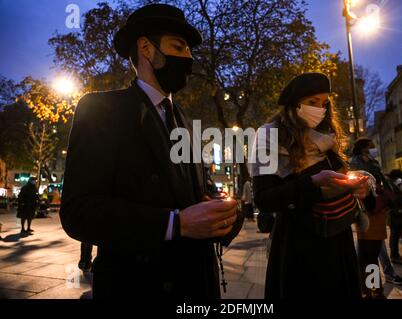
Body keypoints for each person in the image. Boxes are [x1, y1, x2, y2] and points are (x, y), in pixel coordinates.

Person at [60, 4, 240, 299]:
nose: (189, 59)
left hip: (196, 286)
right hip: (138, 287)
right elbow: (79, 212)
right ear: (146, 48)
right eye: (179, 46)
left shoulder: (182, 118)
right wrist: (175, 224)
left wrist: (220, 208)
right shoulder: (101, 110)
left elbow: (195, 189)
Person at [251, 72, 371, 298]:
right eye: (312, 102)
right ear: (294, 104)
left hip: (337, 240)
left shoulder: (327, 137)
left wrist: (356, 188)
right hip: (298, 246)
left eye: (325, 103)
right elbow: (264, 198)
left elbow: (337, 182)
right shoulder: (269, 136)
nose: (320, 109)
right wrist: (313, 182)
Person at [350, 138, 390, 299]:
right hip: (367, 211)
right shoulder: (356, 165)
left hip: (377, 211)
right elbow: (360, 189)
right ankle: (371, 289)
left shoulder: (373, 164)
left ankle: (370, 288)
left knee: (371, 253)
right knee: (368, 254)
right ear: (362, 149)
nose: (374, 149)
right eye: (371, 147)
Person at [385, 169, 402, 265]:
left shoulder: (394, 185)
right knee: (395, 235)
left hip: (397, 213)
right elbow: (393, 199)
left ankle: (396, 255)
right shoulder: (391, 185)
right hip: (395, 214)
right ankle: (394, 256)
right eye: (400, 178)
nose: (401, 180)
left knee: (396, 235)